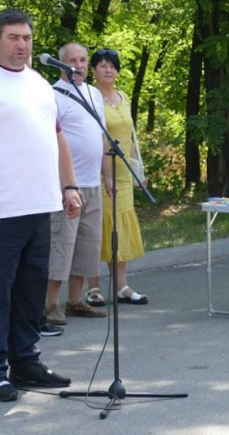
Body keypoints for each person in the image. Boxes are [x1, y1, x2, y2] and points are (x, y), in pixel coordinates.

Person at [0, 9, 81, 402]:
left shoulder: (40, 83)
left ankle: (25, 363)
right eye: (12, 37)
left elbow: (57, 138)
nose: (21, 44)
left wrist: (69, 186)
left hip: (39, 207)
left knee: (29, 292)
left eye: (26, 37)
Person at [44, 42, 110, 326]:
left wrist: (107, 175)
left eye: (83, 60)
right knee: (62, 245)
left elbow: (101, 137)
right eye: (73, 60)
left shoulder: (94, 93)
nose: (79, 65)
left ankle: (75, 301)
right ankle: (49, 305)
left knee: (87, 245)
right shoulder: (52, 95)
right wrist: (63, 184)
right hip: (67, 186)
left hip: (93, 183)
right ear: (61, 64)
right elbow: (48, 141)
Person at [85, 48, 148, 306]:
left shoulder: (122, 97)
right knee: (96, 231)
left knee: (119, 230)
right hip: (99, 174)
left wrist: (139, 171)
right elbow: (96, 138)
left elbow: (130, 136)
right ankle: (93, 287)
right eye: (102, 65)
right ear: (93, 70)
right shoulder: (90, 96)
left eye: (112, 65)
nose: (107, 70)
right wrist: (106, 175)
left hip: (123, 172)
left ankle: (122, 286)